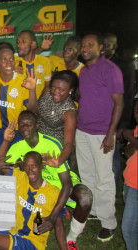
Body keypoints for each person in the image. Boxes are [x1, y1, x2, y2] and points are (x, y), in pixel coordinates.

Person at [0, 111, 92, 249]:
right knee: (54, 218)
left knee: (85, 198)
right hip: (39, 187)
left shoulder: (51, 144)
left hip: (59, 184)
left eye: (29, 123)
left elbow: (66, 184)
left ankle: (72, 238)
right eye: (22, 124)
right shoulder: (17, 147)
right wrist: (6, 141)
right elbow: (1, 165)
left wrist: (52, 217)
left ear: (37, 126)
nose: (25, 127)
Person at [76, 32, 123, 242]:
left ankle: (109, 222)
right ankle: (93, 209)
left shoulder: (110, 69)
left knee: (104, 178)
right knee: (87, 174)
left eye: (90, 44)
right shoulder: (84, 72)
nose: (85, 48)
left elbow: (119, 103)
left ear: (100, 48)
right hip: (82, 130)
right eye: (83, 45)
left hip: (101, 133)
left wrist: (110, 133)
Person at [0, 46, 37, 167]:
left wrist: (32, 90)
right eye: (4, 59)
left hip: (17, 132)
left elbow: (32, 110)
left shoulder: (22, 81)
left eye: (11, 59)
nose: (9, 63)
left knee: (16, 167)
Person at [103, 33, 135, 195]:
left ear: (115, 46)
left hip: (115, 122)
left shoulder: (124, 65)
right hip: (99, 122)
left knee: (113, 158)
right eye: (103, 44)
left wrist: (123, 125)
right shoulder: (97, 64)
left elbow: (127, 98)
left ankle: (112, 192)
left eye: (108, 44)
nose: (104, 47)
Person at [36, 70, 79, 173]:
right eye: (53, 87)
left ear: (70, 90)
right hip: (37, 141)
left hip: (53, 149)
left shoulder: (69, 112)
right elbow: (36, 111)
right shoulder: (47, 92)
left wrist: (59, 161)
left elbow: (69, 143)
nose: (55, 92)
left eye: (61, 90)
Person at [15, 30, 52, 98]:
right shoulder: (13, 63)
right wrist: (10, 73)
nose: (19, 45)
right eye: (18, 42)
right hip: (20, 107)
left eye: (23, 41)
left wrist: (38, 103)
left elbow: (47, 85)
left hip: (39, 105)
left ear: (33, 44)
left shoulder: (45, 61)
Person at [121, 98, 138, 250]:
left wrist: (130, 137)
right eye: (136, 110)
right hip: (129, 180)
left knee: (128, 228)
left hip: (136, 186)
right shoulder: (137, 128)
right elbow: (128, 153)